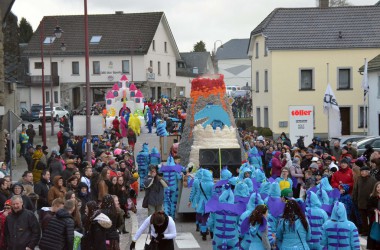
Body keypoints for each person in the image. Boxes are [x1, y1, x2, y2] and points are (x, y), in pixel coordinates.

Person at [352, 166, 377, 236]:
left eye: (365, 171)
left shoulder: (373, 180)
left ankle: (370, 232)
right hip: (360, 202)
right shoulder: (359, 179)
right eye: (362, 171)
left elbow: (375, 191)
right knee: (363, 218)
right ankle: (365, 231)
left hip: (369, 203)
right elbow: (355, 189)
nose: (363, 173)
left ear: (368, 172)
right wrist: (354, 198)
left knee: (371, 218)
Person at [367, 181, 380, 249]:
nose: (379, 189)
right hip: (375, 218)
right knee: (374, 231)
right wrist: (374, 209)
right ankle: (373, 246)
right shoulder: (372, 196)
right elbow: (369, 207)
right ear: (375, 188)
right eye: (378, 187)